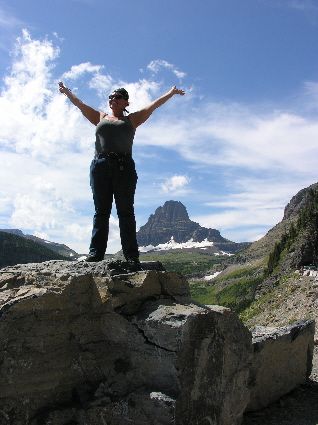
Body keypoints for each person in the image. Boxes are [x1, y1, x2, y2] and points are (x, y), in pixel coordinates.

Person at [59, 81, 185, 268]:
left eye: (117, 97)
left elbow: (154, 105)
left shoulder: (132, 120)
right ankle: (96, 255)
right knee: (101, 212)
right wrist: (67, 92)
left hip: (123, 167)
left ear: (126, 102)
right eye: (111, 97)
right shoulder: (100, 117)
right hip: (100, 166)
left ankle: (131, 256)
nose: (113, 99)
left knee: (125, 212)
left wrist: (171, 92)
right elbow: (81, 104)